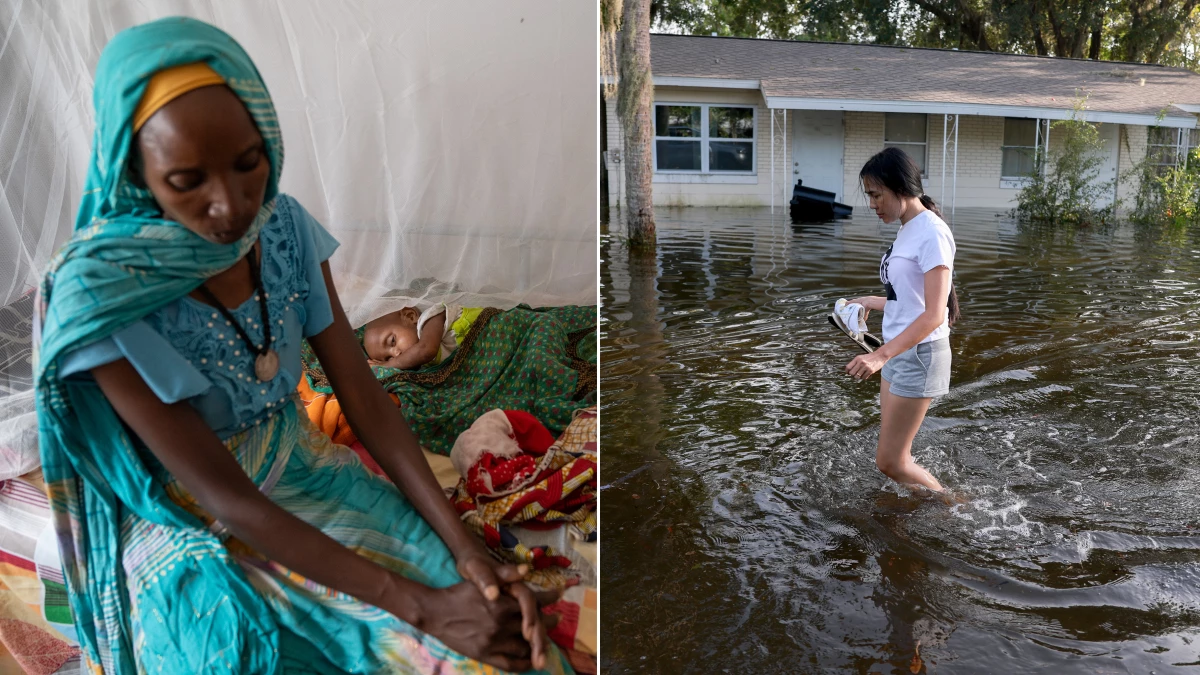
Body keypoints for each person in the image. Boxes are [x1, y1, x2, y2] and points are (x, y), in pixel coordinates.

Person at [34, 17, 569, 675]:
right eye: (186, 181)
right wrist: (422, 608)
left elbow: (366, 399)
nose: (230, 205)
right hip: (194, 522)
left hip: (298, 467)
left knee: (503, 647)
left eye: (248, 162)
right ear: (135, 173)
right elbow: (229, 499)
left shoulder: (282, 228)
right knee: (236, 650)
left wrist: (461, 547)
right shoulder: (102, 297)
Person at [845, 147, 960, 494]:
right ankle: (913, 501)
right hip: (898, 352)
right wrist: (870, 301)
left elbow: (934, 314)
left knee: (891, 461)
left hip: (919, 355)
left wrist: (879, 355)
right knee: (894, 457)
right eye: (870, 195)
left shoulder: (932, 233)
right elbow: (910, 301)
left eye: (876, 194)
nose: (872, 204)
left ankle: (954, 506)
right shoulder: (908, 228)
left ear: (899, 188)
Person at [362, 302, 483, 369]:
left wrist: (388, 364)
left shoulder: (430, 318)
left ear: (410, 316)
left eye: (392, 341)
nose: (396, 355)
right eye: (388, 358)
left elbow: (426, 350)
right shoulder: (420, 365)